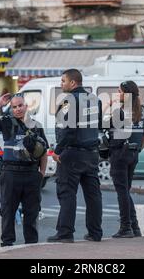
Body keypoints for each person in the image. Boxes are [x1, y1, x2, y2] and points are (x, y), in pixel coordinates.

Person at [0, 93, 48, 247]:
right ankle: (7, 244)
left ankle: (31, 245)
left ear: (26, 106)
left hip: (31, 174)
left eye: (20, 106)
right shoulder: (7, 123)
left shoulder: (36, 126)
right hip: (11, 173)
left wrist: (41, 174)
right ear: (11, 108)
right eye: (14, 107)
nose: (18, 109)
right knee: (7, 211)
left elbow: (44, 152)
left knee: (31, 213)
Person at [48, 69, 103, 243]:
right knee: (93, 194)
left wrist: (57, 150)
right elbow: (98, 124)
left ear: (73, 83)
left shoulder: (68, 101)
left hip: (72, 154)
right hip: (92, 153)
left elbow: (68, 129)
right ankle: (95, 232)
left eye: (63, 80)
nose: (61, 84)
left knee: (67, 193)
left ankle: (65, 233)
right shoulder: (96, 100)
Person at [105, 81, 144, 238]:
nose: (118, 94)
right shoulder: (141, 111)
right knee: (126, 191)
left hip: (119, 154)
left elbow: (99, 124)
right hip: (133, 154)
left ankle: (126, 227)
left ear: (127, 94)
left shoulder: (120, 112)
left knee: (122, 192)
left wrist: (108, 105)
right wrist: (137, 150)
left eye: (119, 91)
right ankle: (135, 227)